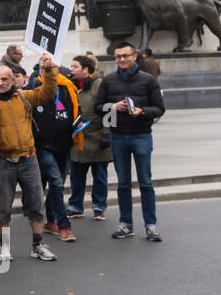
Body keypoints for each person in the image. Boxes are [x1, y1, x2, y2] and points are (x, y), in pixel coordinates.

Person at [0, 53, 60, 264]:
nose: (1, 83)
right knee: (3, 207)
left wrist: (47, 70)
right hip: (4, 162)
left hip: (29, 159)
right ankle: (4, 248)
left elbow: (48, 92)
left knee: (36, 204)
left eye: (5, 79)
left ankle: (37, 245)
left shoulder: (24, 97)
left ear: (13, 80)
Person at [95, 42, 165, 242]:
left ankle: (151, 225)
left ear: (135, 57)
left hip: (141, 135)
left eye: (125, 56)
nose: (122, 60)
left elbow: (159, 109)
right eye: (118, 57)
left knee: (145, 182)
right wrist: (112, 106)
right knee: (123, 183)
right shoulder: (108, 80)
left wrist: (143, 111)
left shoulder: (148, 80)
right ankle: (125, 224)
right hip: (118, 136)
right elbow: (98, 107)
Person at [33, 65, 82, 243]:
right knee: (56, 182)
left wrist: (78, 125)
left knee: (57, 185)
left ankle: (50, 219)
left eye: (53, 66)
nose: (50, 70)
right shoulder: (33, 88)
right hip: (43, 147)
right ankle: (64, 226)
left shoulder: (67, 87)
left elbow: (77, 111)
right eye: (46, 67)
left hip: (64, 144)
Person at [68, 55, 111, 220]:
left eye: (75, 66)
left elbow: (110, 108)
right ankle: (75, 207)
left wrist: (107, 134)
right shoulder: (73, 86)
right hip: (78, 140)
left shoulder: (99, 85)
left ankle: (99, 207)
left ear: (86, 70)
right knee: (76, 176)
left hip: (98, 138)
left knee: (100, 176)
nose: (71, 70)